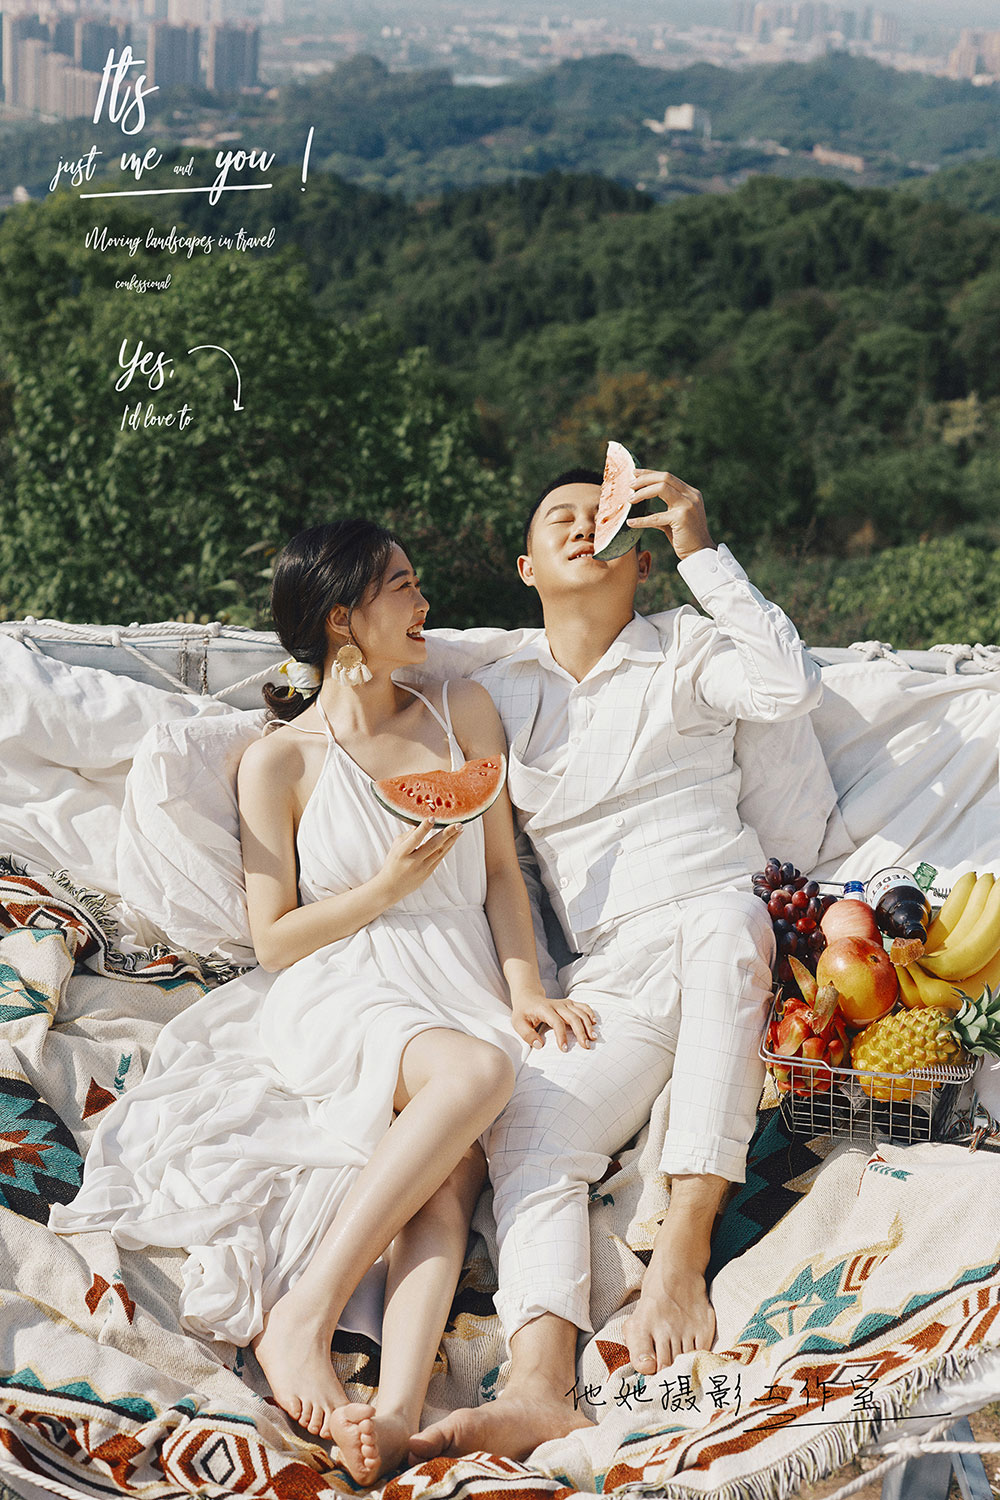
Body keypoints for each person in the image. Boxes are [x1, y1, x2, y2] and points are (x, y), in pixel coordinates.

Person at [49, 519, 594, 1486]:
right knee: (476, 1075)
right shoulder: (280, 763)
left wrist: (525, 987)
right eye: (403, 586)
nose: (425, 603)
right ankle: (303, 1316)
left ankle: (395, 1417)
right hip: (345, 983)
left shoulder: (463, 709)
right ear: (344, 618)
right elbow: (274, 940)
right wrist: (385, 887)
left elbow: (500, 876)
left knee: (451, 1183)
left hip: (462, 976)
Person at [410, 465, 823, 1464]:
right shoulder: (496, 692)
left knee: (725, 929)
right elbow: (393, 675)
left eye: (597, 519)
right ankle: (540, 1386)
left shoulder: (687, 648)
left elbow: (787, 683)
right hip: (609, 968)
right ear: (525, 569)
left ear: (637, 562)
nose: (578, 527)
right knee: (528, 1129)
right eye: (555, 518)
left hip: (717, 916)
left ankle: (680, 1253)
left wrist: (698, 546)